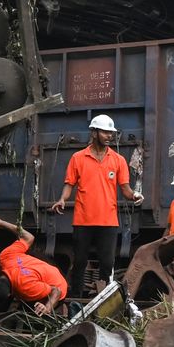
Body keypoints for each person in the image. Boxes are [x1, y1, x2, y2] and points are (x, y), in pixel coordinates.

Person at [50, 114, 143, 296]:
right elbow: (69, 184)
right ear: (94, 133)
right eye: (105, 132)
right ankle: (75, 302)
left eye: (111, 133)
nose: (110, 136)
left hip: (108, 221)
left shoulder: (118, 160)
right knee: (79, 263)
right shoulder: (78, 158)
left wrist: (135, 196)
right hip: (83, 220)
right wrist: (62, 199)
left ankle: (101, 303)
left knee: (107, 264)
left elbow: (125, 190)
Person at [0, 215, 68, 315]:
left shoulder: (26, 288)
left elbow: (56, 291)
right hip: (42, 273)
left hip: (57, 287)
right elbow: (29, 237)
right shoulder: (5, 257)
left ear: (10, 294)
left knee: (29, 313)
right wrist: (1, 222)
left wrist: (47, 308)